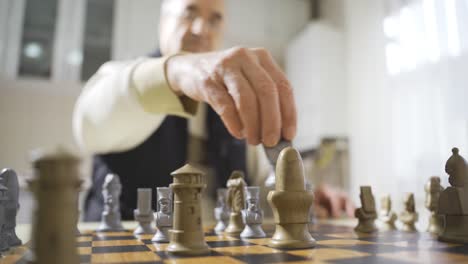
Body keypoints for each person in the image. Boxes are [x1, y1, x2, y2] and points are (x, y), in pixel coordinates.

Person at [73, 0, 354, 221]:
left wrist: (303, 200)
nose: (201, 29)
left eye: (214, 20)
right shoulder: (120, 79)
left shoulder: (233, 106)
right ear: (163, 21)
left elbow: (255, 190)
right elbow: (87, 126)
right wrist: (178, 70)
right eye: (188, 13)